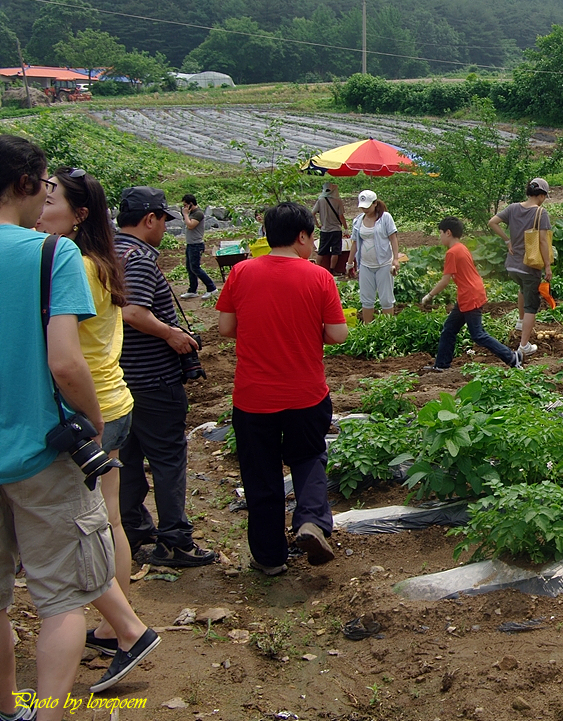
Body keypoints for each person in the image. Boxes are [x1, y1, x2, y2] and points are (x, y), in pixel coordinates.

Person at [0, 137, 159, 711]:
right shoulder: (52, 255)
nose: (45, 200)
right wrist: (91, 421)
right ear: (25, 185)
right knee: (66, 588)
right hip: (50, 441)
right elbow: (67, 362)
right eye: (43, 188)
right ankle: (52, 701)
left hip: (32, 435)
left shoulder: (71, 256)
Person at [35, 167, 150, 661]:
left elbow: (61, 356)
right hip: (114, 399)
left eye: (50, 200)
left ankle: (121, 625)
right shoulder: (102, 261)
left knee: (83, 525)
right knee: (110, 521)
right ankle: (114, 625)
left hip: (87, 408)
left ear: (78, 215)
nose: (41, 209)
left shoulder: (72, 264)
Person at [217, 202, 348, 575]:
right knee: (308, 458)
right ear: (303, 236)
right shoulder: (318, 277)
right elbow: (337, 335)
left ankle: (270, 558)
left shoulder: (240, 272)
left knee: (261, 475)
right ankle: (310, 522)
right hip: (306, 393)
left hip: (253, 397)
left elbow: (227, 328)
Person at [116, 186, 218, 568]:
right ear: (149, 220)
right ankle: (174, 540)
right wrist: (174, 335)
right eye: (162, 221)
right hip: (153, 378)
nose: (163, 229)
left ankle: (133, 531)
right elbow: (134, 313)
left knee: (126, 458)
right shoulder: (138, 258)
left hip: (120, 378)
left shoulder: (104, 252)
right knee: (168, 459)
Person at [423, 216, 521, 371]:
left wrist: (429, 296)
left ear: (448, 233)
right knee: (449, 329)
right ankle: (441, 365)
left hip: (469, 296)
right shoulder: (461, 248)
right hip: (470, 293)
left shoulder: (452, 253)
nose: (439, 237)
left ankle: (511, 357)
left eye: (440, 233)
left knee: (478, 334)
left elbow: (445, 281)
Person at [489, 178, 552, 359]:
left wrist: (507, 240)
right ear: (541, 195)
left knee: (523, 289)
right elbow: (542, 241)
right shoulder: (541, 213)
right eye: (544, 196)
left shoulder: (513, 208)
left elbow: (492, 222)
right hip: (529, 265)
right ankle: (523, 345)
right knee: (532, 304)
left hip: (512, 266)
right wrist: (547, 266)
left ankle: (520, 321)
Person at [347, 190, 400, 323]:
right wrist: (349, 263)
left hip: (383, 264)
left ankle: (387, 327)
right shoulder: (358, 221)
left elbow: (393, 238)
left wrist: (395, 258)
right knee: (366, 299)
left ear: (375, 203)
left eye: (367, 206)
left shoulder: (385, 218)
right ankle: (368, 328)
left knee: (386, 299)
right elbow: (354, 243)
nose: (365, 209)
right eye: (362, 207)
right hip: (365, 264)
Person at [179, 193, 218, 301]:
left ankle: (211, 288)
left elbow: (190, 225)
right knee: (190, 268)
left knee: (195, 268)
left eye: (186, 205)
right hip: (190, 244)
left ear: (191, 204)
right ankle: (192, 290)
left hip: (196, 245)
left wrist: (185, 214)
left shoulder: (198, 214)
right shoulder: (192, 213)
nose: (184, 208)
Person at [312, 182, 347, 276]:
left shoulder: (320, 200)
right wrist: (346, 228)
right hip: (336, 230)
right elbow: (341, 217)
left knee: (321, 251)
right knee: (335, 251)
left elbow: (312, 213)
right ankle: (332, 270)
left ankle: (316, 269)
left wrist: (318, 225)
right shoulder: (338, 201)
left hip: (324, 230)